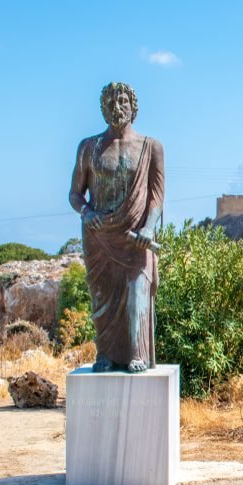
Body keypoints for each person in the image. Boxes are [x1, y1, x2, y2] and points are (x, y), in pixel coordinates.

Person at [68, 82, 164, 373]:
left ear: (133, 107)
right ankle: (106, 354)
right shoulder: (89, 147)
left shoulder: (151, 147)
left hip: (136, 237)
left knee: (137, 295)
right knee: (103, 301)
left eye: (122, 101)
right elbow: (75, 194)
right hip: (99, 236)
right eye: (110, 102)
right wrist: (86, 212)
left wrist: (149, 227)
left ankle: (137, 353)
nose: (117, 107)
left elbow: (156, 196)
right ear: (102, 109)